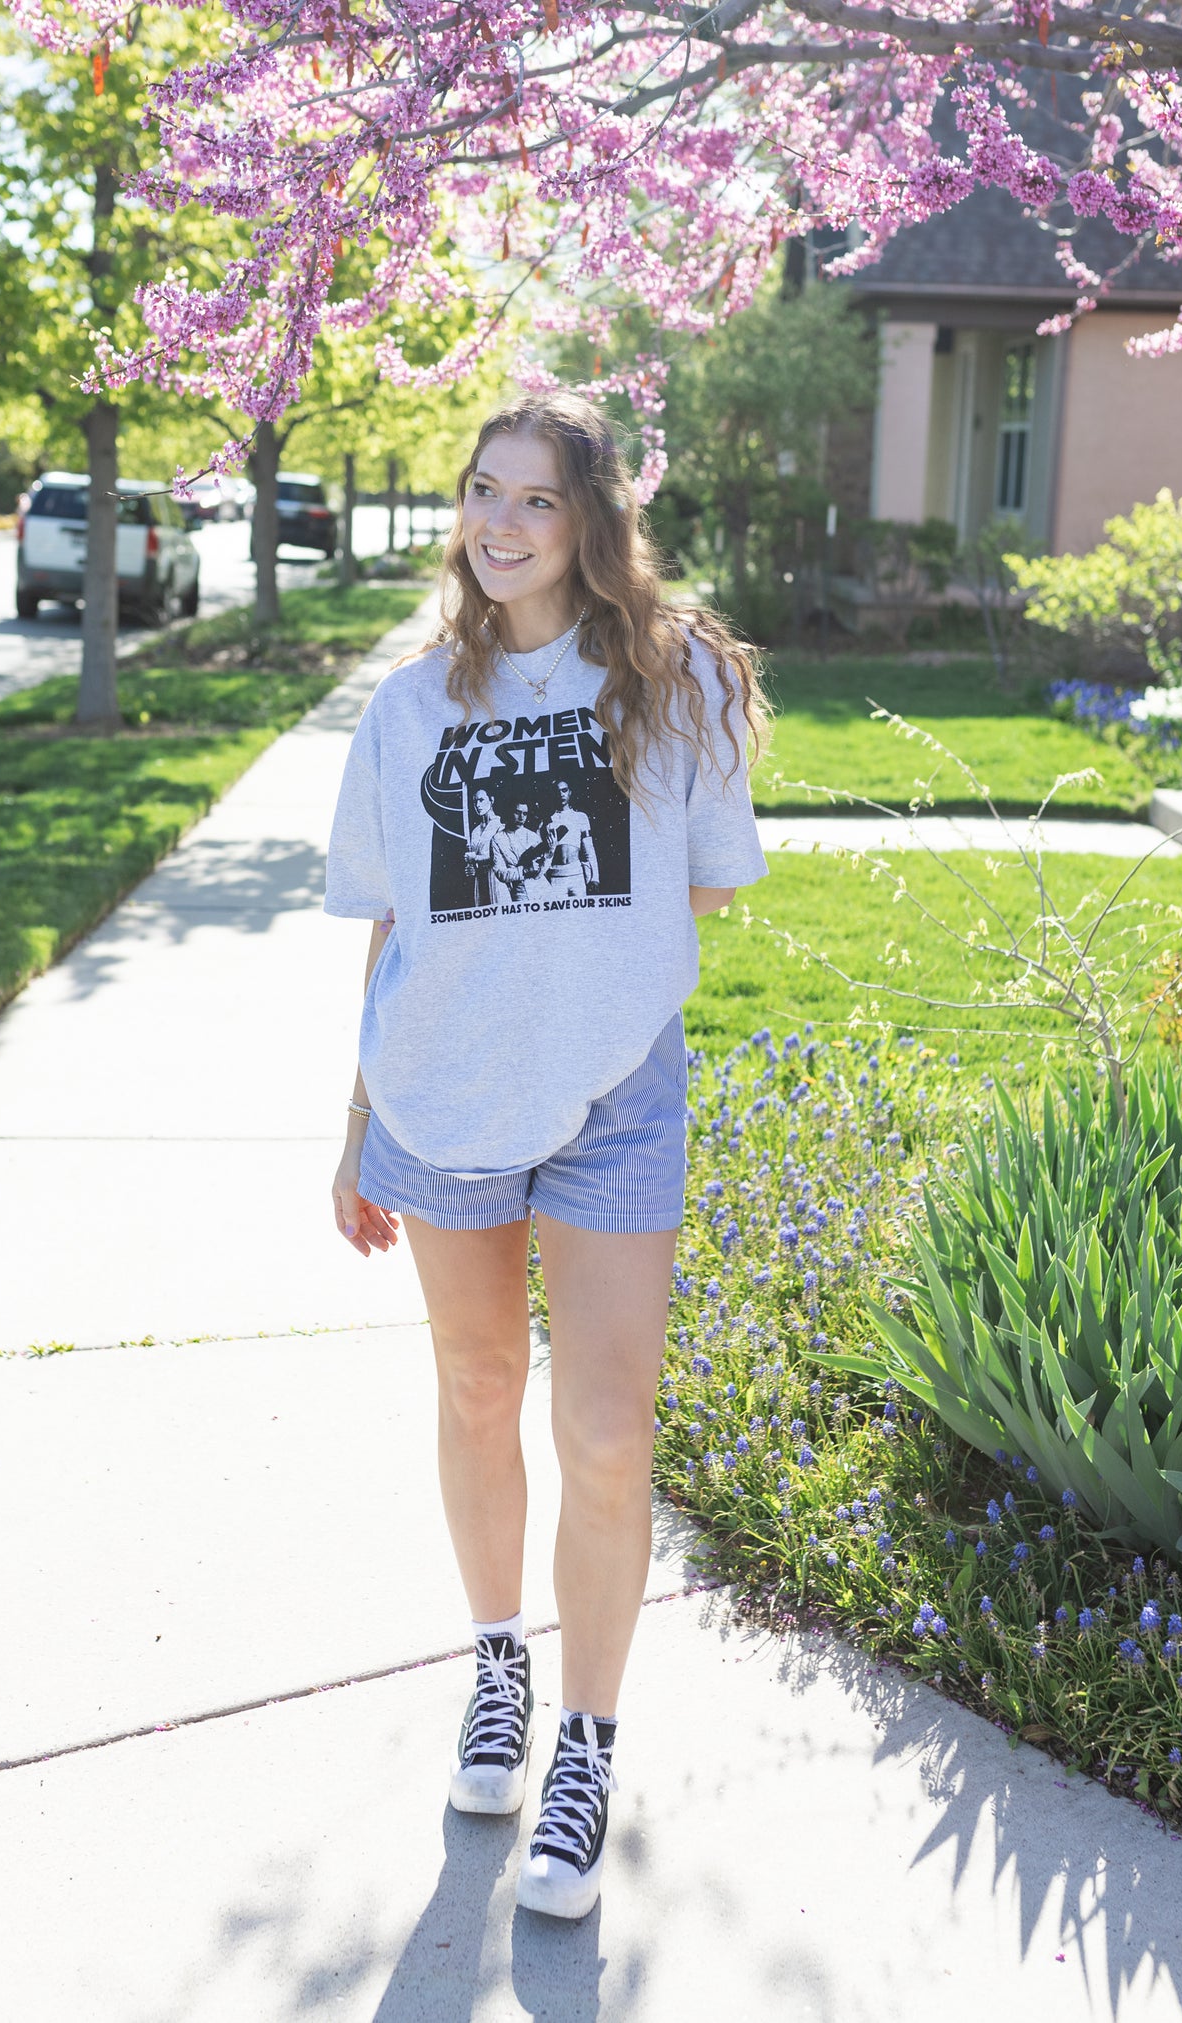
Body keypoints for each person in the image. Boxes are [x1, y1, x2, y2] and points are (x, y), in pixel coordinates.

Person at [325, 389, 768, 1922]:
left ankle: (586, 1736)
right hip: (439, 1096)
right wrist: (358, 1118)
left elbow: (702, 899)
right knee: (472, 1385)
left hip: (616, 1097)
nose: (499, 525)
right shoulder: (406, 708)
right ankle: (495, 1666)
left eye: (535, 499)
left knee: (602, 1429)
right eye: (480, 491)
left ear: (591, 520)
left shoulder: (676, 681)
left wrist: (575, 986)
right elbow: (398, 925)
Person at [543, 777, 598, 896]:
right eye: (557, 791)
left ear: (570, 792)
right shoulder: (548, 820)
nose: (561, 794)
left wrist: (594, 878)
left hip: (576, 876)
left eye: (564, 790)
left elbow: (589, 850)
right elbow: (544, 853)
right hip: (556, 877)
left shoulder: (581, 817)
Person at [490, 800, 543, 903]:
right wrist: (524, 870)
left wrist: (550, 853)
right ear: (509, 812)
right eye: (517, 812)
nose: (521, 818)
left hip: (542, 889)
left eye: (525, 814)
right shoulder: (497, 839)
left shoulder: (532, 836)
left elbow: (542, 870)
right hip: (519, 894)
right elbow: (500, 873)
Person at [463, 787, 502, 907]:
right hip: (480, 881)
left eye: (481, 800)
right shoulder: (475, 831)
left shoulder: (500, 826)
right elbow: (474, 860)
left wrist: (474, 858)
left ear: (491, 800)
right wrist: (472, 868)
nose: (477, 805)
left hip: (496, 879)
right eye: (475, 801)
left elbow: (497, 857)